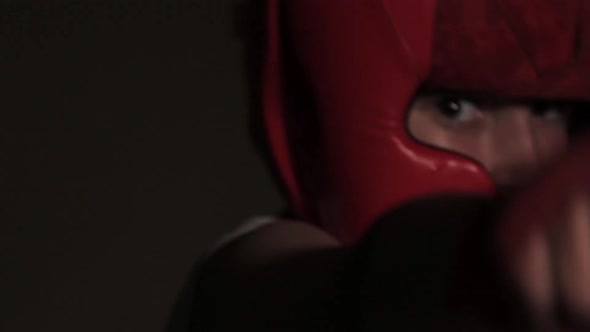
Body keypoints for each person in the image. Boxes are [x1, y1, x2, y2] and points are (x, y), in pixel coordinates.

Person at [191, 0, 590, 331]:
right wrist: (486, 252)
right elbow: (338, 292)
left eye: (548, 109)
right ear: (313, 113)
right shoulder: (247, 276)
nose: (527, 159)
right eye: (455, 108)